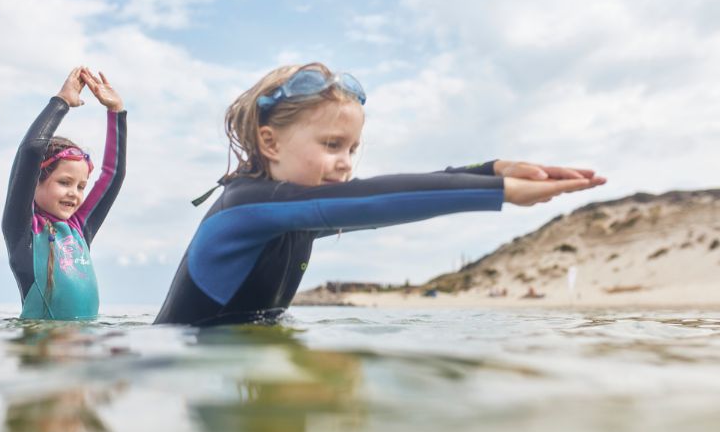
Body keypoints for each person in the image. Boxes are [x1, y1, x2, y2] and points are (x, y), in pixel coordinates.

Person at [155, 62, 604, 326]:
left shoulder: (302, 211)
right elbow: (378, 198)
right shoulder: (245, 205)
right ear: (270, 142)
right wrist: (501, 191)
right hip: (179, 366)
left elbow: (397, 192)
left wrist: (494, 167)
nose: (347, 162)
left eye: (352, 148)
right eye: (331, 145)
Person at [2, 67, 127, 320]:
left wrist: (116, 112)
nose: (74, 194)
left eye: (81, 186)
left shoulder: (81, 229)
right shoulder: (22, 231)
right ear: (35, 181)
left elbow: (113, 174)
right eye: (65, 182)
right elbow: (31, 151)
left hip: (83, 352)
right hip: (42, 353)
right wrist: (61, 102)